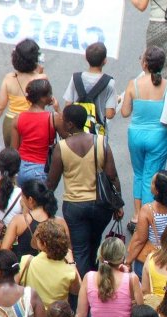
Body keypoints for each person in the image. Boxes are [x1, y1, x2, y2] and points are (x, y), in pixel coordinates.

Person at [46, 105, 119, 279]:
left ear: (70, 124)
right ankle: (94, 280)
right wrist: (118, 204)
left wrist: (44, 206)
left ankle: (82, 292)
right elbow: (112, 176)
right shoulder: (101, 142)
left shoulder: (61, 147)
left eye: (63, 121)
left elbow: (52, 182)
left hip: (75, 206)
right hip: (101, 205)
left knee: (80, 250)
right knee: (94, 244)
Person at [122, 46, 167, 230]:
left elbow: (125, 112)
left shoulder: (133, 85)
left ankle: (136, 215)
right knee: (152, 175)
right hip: (157, 135)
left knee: (139, 174)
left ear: (144, 64)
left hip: (135, 135)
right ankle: (147, 215)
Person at [74, 237, 143, 317]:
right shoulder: (132, 279)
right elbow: (141, 311)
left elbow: (80, 315)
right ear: (121, 258)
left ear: (101, 255)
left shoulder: (89, 277)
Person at [0, 38, 48, 147]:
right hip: (32, 122)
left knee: (12, 158)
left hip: (10, 122)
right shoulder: (42, 78)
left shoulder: (9, 78)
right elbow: (45, 100)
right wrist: (40, 73)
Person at [125, 171, 167, 277]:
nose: (150, 185)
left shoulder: (148, 210)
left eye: (152, 183)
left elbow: (139, 240)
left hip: (152, 261)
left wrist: (128, 262)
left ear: (158, 191)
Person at [1, 179, 69, 261]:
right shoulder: (60, 222)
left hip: (25, 271)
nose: (21, 200)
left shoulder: (18, 221)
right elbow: (68, 251)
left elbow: (4, 252)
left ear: (30, 199)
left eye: (22, 197)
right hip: (52, 270)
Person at [11, 78, 62, 187]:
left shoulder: (17, 118)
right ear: (43, 98)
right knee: (40, 203)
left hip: (21, 168)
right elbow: (68, 137)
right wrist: (58, 110)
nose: (51, 96)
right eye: (50, 94)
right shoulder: (54, 118)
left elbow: (14, 150)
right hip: (41, 169)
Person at [17, 220, 80, 308]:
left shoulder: (27, 261)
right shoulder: (69, 271)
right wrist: (71, 262)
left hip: (31, 314)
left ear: (44, 244)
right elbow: (77, 290)